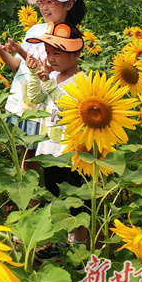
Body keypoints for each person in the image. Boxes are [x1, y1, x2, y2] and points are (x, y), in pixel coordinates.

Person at [0, 0, 87, 151]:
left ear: (68, 4)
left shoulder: (69, 37)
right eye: (42, 2)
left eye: (51, 2)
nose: (44, 7)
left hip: (45, 106)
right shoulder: (34, 30)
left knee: (46, 152)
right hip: (22, 101)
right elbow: (18, 66)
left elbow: (59, 72)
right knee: (24, 152)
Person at [23, 21, 89, 256]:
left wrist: (48, 82)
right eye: (48, 53)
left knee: (78, 202)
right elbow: (35, 97)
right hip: (50, 150)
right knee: (56, 198)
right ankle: (60, 241)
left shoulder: (81, 81)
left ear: (76, 54)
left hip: (72, 154)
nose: (51, 58)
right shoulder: (55, 77)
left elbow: (67, 107)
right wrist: (34, 73)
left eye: (57, 53)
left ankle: (80, 245)